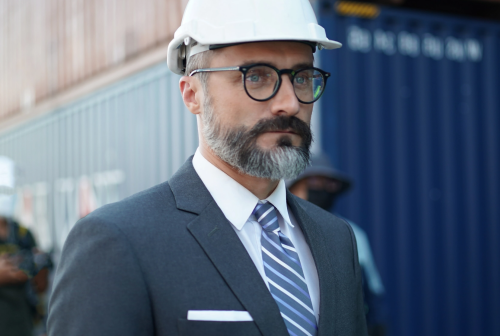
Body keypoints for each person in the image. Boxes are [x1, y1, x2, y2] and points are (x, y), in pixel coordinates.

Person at [47, 0, 367, 335]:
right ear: (192, 94)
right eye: (256, 76)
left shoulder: (335, 238)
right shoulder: (118, 241)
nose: (289, 103)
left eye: (302, 77)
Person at [287, 153, 387, 335]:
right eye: (315, 182)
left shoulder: (351, 233)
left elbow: (372, 293)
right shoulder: (273, 228)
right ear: (293, 186)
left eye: (330, 185)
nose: (323, 190)